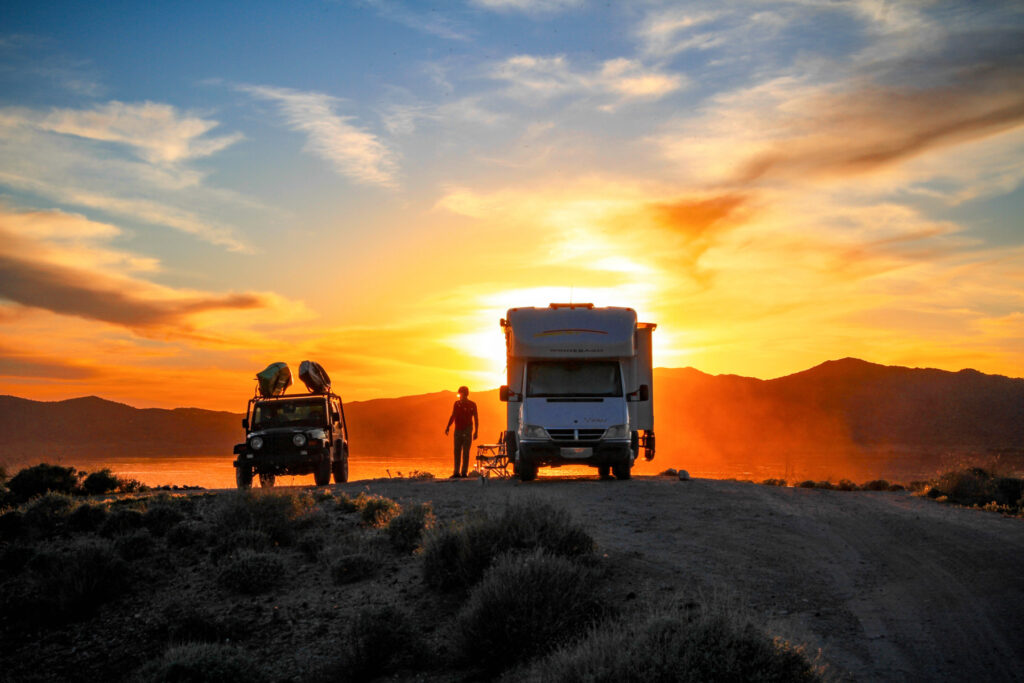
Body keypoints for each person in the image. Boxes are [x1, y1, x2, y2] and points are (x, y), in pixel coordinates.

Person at [444, 386, 478, 478]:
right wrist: (448, 426)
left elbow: (476, 418)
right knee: (457, 451)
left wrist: (476, 431)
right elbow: (453, 415)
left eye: (461, 394)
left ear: (465, 394)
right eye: (459, 394)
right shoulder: (456, 404)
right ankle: (456, 472)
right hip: (457, 429)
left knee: (466, 451)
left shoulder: (472, 404)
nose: (459, 396)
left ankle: (464, 472)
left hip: (467, 429)